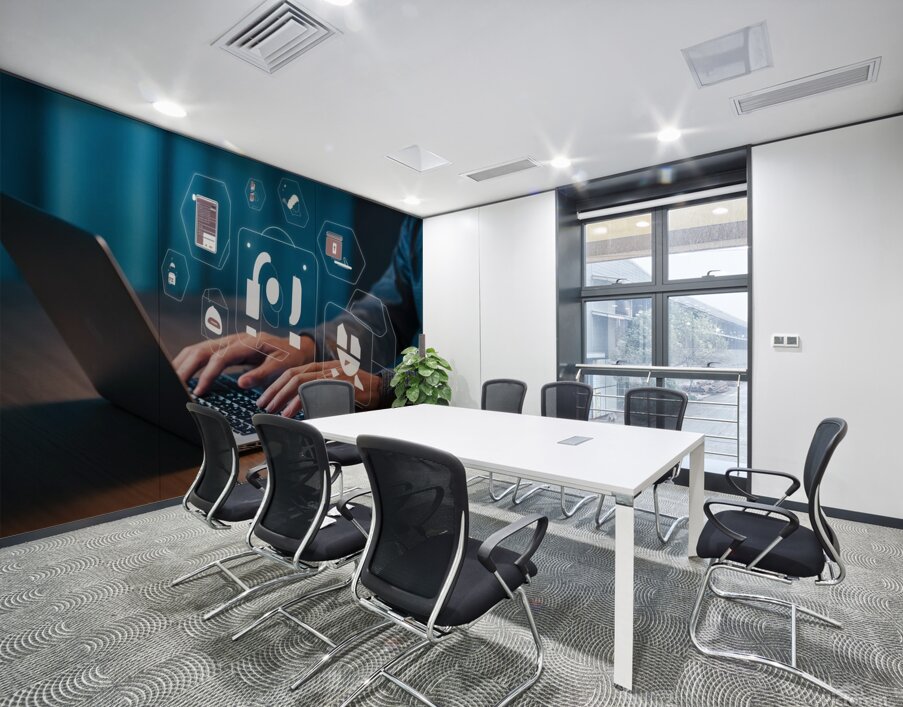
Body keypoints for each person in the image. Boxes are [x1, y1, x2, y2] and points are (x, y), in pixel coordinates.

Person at [174, 217, 422, 417]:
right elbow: (382, 315)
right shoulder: (417, 227)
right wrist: (308, 347)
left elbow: (459, 383)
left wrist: (386, 389)